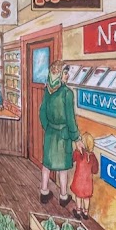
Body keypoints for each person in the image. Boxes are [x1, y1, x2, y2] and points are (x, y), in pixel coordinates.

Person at [38, 58, 79, 206]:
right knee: (63, 168)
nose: (67, 76)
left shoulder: (47, 90)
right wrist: (76, 137)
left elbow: (42, 112)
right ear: (60, 74)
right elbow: (70, 118)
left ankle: (44, 192)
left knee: (47, 165)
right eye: (65, 73)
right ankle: (63, 196)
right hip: (63, 134)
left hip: (50, 132)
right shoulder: (67, 93)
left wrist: (48, 127)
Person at [70, 132, 99, 219]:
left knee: (78, 196)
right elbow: (95, 170)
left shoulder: (78, 153)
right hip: (87, 183)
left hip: (78, 181)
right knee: (86, 198)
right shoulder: (93, 157)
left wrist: (76, 149)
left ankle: (78, 211)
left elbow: (73, 159)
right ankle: (85, 213)